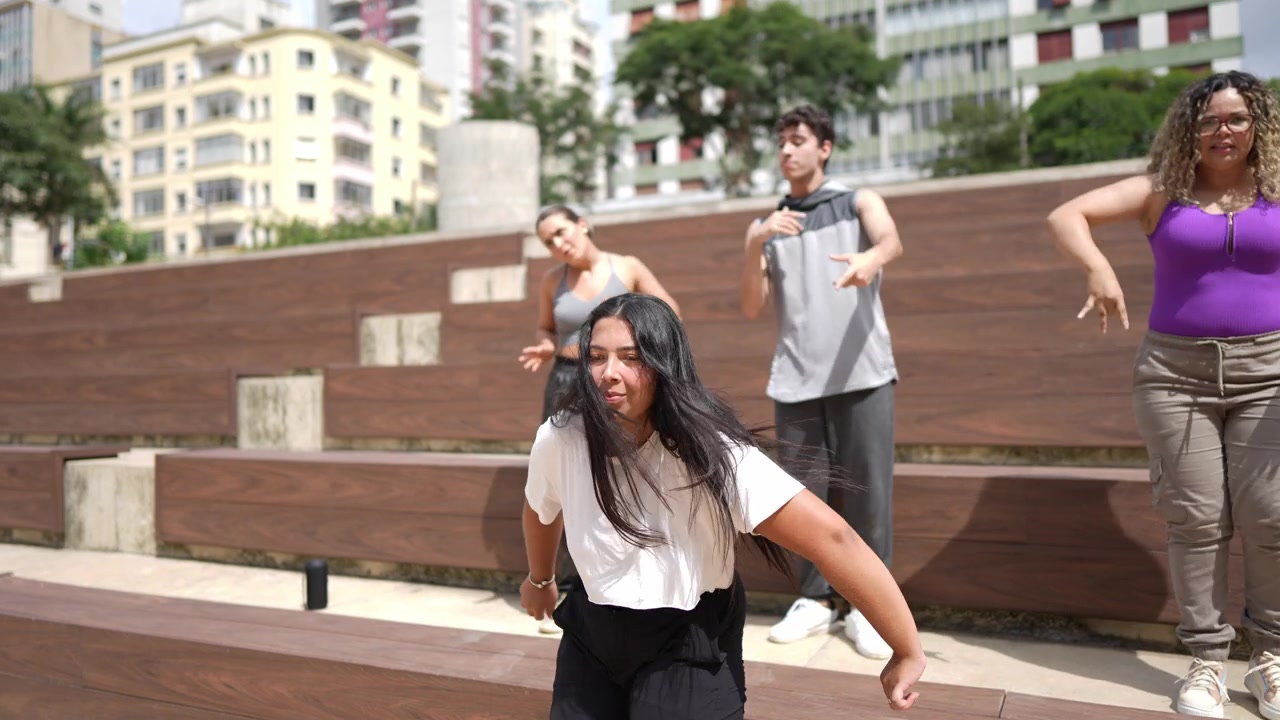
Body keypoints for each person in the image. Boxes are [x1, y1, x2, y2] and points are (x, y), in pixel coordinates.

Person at [520, 292, 926, 719]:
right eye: (597, 357)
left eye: (631, 358)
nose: (609, 373)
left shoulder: (715, 455)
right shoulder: (562, 437)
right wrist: (540, 578)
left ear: (664, 364)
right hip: (593, 627)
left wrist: (905, 649)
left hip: (686, 636)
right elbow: (541, 508)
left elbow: (833, 538)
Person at [1046, 70, 1280, 720]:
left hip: (1271, 370)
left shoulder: (1276, 188)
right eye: (1209, 120)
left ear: (1257, 124)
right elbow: (1066, 215)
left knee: (1271, 516)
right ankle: (1206, 664)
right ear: (1190, 128)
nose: (1223, 131)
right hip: (1175, 376)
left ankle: (1271, 659)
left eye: (1237, 118)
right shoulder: (1163, 190)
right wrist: (1097, 267)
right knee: (1197, 520)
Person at [738, 104, 904, 656]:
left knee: (868, 496)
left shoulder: (857, 201)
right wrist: (755, 244)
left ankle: (869, 609)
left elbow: (891, 242)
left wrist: (870, 260)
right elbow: (751, 306)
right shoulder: (768, 225)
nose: (787, 149)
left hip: (863, 373)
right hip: (796, 380)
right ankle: (815, 599)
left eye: (799, 139)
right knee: (802, 499)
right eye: (782, 141)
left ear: (824, 148)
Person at [519, 204, 680, 634]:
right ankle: (572, 590)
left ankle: (631, 577)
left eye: (561, 232)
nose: (558, 243)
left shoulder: (627, 267)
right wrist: (545, 345)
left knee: (624, 477)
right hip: (568, 380)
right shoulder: (552, 280)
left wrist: (635, 353)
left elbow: (669, 313)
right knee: (569, 482)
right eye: (548, 241)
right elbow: (546, 328)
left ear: (582, 224)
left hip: (621, 382)